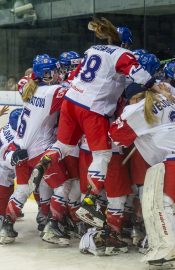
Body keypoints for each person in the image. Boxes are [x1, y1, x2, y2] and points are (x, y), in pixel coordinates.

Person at [31, 17, 161, 229]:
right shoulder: (122, 54)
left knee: (63, 146)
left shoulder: (93, 49)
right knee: (102, 154)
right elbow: (139, 74)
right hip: (92, 108)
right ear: (126, 43)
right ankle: (90, 202)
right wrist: (155, 86)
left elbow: (73, 76)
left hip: (71, 101)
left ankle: (43, 164)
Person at [109, 83, 175, 268]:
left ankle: (166, 253)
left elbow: (115, 136)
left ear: (133, 98)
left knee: (159, 203)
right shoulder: (167, 97)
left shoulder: (134, 109)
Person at [0, 54, 70, 245]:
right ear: (44, 74)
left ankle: (6, 228)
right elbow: (79, 94)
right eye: (52, 71)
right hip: (39, 151)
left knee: (22, 189)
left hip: (20, 148)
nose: (56, 74)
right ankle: (52, 226)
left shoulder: (30, 88)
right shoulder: (53, 91)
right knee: (62, 186)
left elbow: (25, 80)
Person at [0, 108, 22, 231]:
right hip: (3, 164)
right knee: (4, 188)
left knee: (7, 187)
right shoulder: (15, 137)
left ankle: (6, 210)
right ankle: (2, 214)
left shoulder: (8, 127)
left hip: (4, 162)